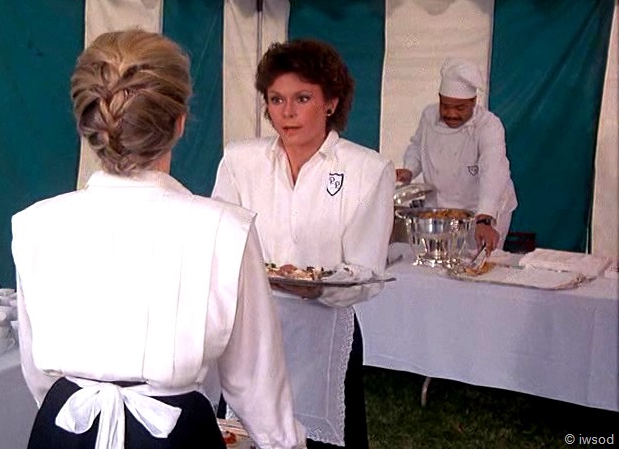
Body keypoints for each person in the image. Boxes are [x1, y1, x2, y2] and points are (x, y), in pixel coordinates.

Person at [11, 29, 306, 449]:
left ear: (87, 124)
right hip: (173, 436)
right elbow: (255, 380)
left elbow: (37, 372)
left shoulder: (35, 224)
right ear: (179, 123)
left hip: (67, 426)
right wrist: (282, 444)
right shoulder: (225, 230)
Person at [212, 39, 394, 448]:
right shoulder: (240, 161)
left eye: (302, 98)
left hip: (323, 331)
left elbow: (365, 271)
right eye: (276, 99)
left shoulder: (367, 169)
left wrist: (318, 287)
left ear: (331, 102)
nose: (287, 112)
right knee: (244, 434)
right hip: (252, 327)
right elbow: (220, 244)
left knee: (322, 438)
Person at [395, 57, 517, 255]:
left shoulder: (489, 125)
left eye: (460, 108)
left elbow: (493, 169)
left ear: (473, 102)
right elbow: (417, 146)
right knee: (440, 261)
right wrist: (409, 169)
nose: (451, 114)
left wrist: (485, 218)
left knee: (478, 261)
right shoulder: (428, 116)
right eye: (445, 106)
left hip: (482, 208)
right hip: (441, 208)